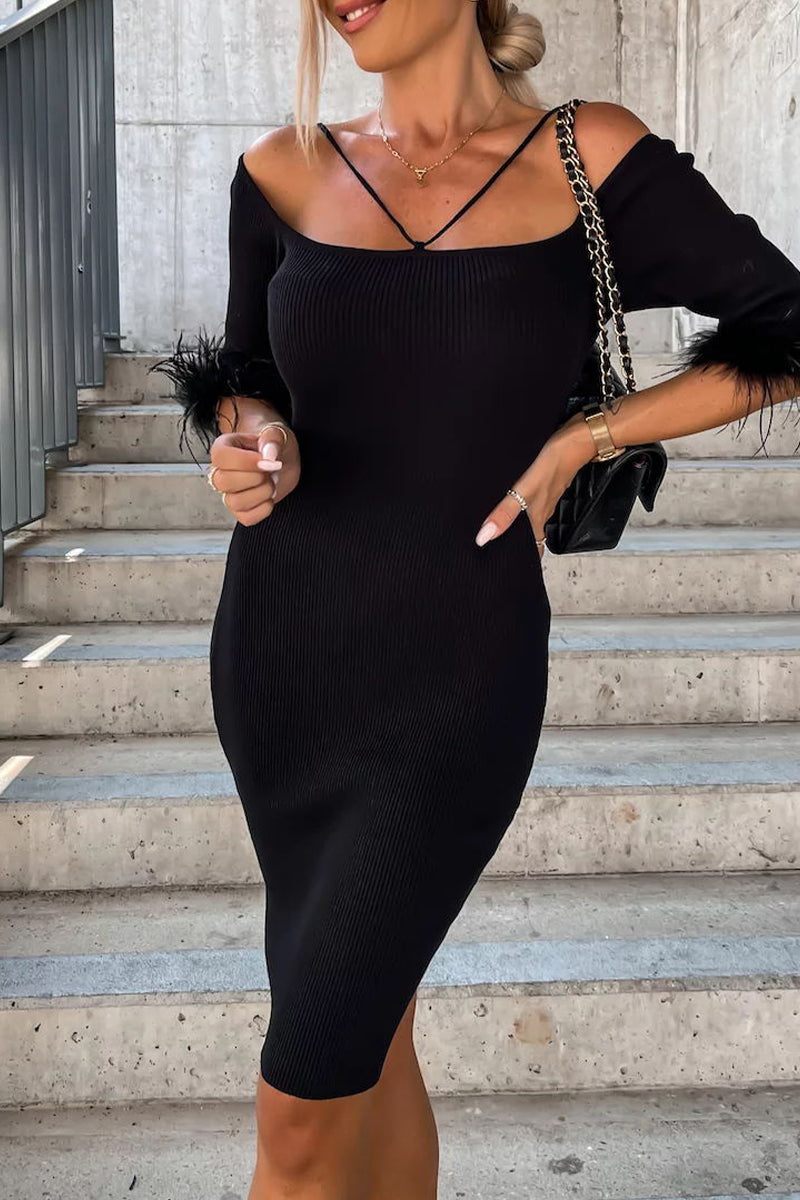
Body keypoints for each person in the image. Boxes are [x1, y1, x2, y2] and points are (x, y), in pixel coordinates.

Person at [154, 2, 800, 1196]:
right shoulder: (280, 168)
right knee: (372, 1039)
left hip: (457, 679)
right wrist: (249, 444)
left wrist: (587, 436)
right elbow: (244, 379)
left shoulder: (586, 156)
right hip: (283, 665)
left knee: (299, 1111)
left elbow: (785, 327)